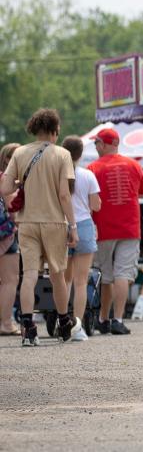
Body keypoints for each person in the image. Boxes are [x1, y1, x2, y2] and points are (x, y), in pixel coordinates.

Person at [0, 109, 78, 345]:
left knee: (30, 275)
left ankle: (27, 327)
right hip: (54, 221)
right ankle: (64, 321)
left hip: (27, 222)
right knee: (57, 275)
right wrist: (72, 225)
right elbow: (65, 195)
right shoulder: (62, 154)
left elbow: (5, 189)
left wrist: (21, 181)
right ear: (54, 131)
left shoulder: (20, 153)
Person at [88, 127, 143, 335]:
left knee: (106, 275)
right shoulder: (134, 165)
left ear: (104, 144)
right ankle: (118, 319)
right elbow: (141, 193)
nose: (96, 147)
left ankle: (103, 319)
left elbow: (90, 200)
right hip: (130, 227)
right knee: (123, 273)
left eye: (97, 144)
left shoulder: (93, 168)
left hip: (103, 227)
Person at [61, 136, 101, 342]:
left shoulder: (57, 174)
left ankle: (63, 323)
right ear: (80, 154)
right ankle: (77, 326)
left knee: (63, 279)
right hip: (84, 225)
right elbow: (96, 205)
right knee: (81, 281)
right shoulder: (88, 175)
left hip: (62, 226)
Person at [0, 142, 22, 336]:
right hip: (5, 234)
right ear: (9, 159)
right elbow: (13, 210)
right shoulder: (6, 180)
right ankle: (6, 323)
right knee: (9, 280)